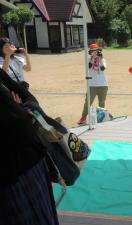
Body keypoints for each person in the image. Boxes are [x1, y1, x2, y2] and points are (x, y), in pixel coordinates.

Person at [0, 68, 59, 225]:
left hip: (26, 164)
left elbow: (28, 102)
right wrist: (21, 108)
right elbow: (23, 120)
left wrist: (22, 109)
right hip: (16, 174)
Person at [78, 43, 108, 125]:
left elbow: (103, 68)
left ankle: (101, 118)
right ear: (90, 52)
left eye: (96, 51)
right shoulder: (88, 60)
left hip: (103, 84)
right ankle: (83, 118)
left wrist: (101, 59)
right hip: (92, 85)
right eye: (93, 51)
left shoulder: (103, 60)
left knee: (101, 103)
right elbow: (89, 66)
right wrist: (93, 59)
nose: (95, 53)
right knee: (88, 102)